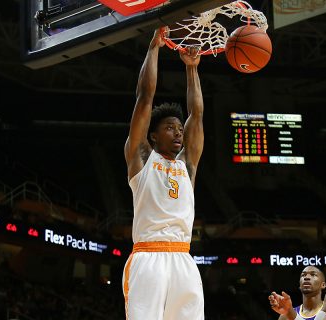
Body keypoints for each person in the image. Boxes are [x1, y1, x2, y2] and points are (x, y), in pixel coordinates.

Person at [122, 27, 204, 320]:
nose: (178, 132)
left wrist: (192, 69)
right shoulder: (141, 158)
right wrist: (154, 48)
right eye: (170, 128)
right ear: (153, 136)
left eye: (179, 129)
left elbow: (196, 115)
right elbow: (145, 98)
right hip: (148, 255)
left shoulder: (187, 165)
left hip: (183, 256)